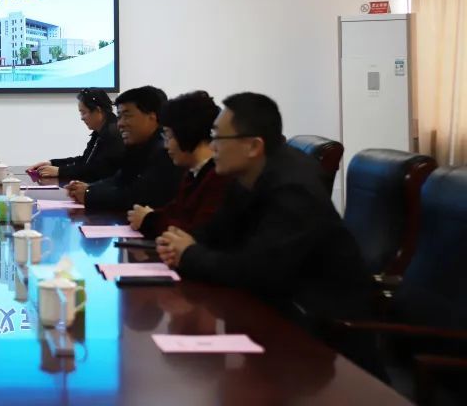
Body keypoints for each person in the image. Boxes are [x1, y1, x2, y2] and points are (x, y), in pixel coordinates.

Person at [156, 92, 381, 374]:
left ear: (253, 146)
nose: (212, 146)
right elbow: (216, 233)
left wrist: (189, 254)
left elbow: (257, 269)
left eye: (218, 138)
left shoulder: (294, 189)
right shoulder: (247, 175)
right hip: (278, 312)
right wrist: (177, 245)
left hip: (323, 339)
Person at [127, 91, 230, 238]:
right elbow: (174, 212)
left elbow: (197, 231)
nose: (166, 145)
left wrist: (149, 220)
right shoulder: (193, 172)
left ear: (186, 132)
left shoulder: (219, 176)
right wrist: (147, 215)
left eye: (168, 136)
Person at [65, 86, 180, 211]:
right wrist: (89, 188)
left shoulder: (166, 150)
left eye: (127, 116)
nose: (120, 124)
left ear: (152, 117)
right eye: (119, 117)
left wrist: (89, 194)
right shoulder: (137, 145)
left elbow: (137, 197)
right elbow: (120, 179)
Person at [30, 87, 125, 182]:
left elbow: (97, 171)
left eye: (84, 112)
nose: (82, 118)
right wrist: (52, 163)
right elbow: (84, 160)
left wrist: (60, 171)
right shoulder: (101, 130)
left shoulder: (113, 133)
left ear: (98, 110)